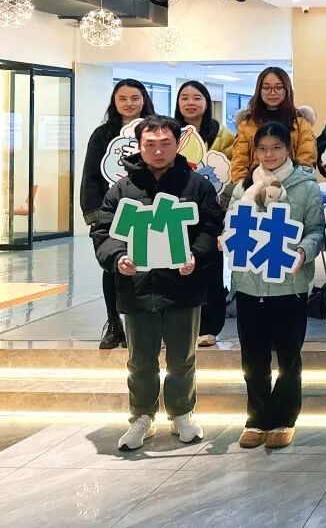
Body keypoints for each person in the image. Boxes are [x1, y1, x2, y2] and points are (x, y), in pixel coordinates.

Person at [90, 115, 225, 451]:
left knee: (182, 358)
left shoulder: (196, 185)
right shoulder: (123, 189)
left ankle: (181, 412)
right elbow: (103, 231)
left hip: (183, 285)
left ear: (178, 144)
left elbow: (211, 227)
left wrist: (196, 256)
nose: (158, 150)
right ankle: (142, 416)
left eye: (166, 143)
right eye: (150, 144)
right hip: (137, 286)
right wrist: (117, 258)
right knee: (140, 360)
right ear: (139, 146)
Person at [229, 121, 325, 450]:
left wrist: (303, 252)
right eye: (263, 148)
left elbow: (317, 230)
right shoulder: (243, 187)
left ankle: (284, 417)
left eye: (276, 148)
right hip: (248, 285)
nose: (269, 155)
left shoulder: (305, 187)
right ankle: (256, 417)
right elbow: (231, 224)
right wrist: (225, 238)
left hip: (289, 285)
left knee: (288, 358)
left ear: (289, 149)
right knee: (253, 359)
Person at [80, 79, 156, 350]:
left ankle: (150, 323)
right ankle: (114, 323)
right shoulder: (102, 135)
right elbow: (90, 176)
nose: (129, 103)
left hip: (148, 212)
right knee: (113, 266)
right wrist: (95, 217)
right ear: (114, 101)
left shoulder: (156, 129)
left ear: (144, 99)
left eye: (134, 98)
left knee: (150, 267)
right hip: (111, 213)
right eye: (122, 98)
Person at [174, 80, 234, 347]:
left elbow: (232, 172)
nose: (190, 102)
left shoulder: (223, 136)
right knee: (175, 267)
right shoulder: (169, 131)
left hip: (211, 210)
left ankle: (209, 326)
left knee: (210, 268)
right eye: (184, 97)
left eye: (197, 97)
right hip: (175, 210)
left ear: (207, 102)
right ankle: (176, 325)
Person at [231, 67, 317, 183]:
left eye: (279, 87)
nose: (272, 92)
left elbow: (306, 161)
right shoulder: (246, 125)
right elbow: (239, 165)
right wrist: (246, 188)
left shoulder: (301, 124)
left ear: (287, 90)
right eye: (266, 88)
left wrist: (293, 186)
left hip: (293, 185)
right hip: (254, 186)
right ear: (259, 90)